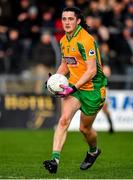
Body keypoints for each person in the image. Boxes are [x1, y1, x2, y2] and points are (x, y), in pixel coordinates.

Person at [43, 7, 107, 174]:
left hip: (93, 89)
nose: (67, 22)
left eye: (71, 19)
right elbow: (65, 65)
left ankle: (93, 151)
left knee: (84, 129)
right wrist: (53, 80)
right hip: (75, 87)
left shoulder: (86, 40)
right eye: (64, 19)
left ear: (78, 21)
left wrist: (73, 87)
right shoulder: (64, 40)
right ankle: (54, 160)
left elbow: (92, 70)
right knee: (63, 120)